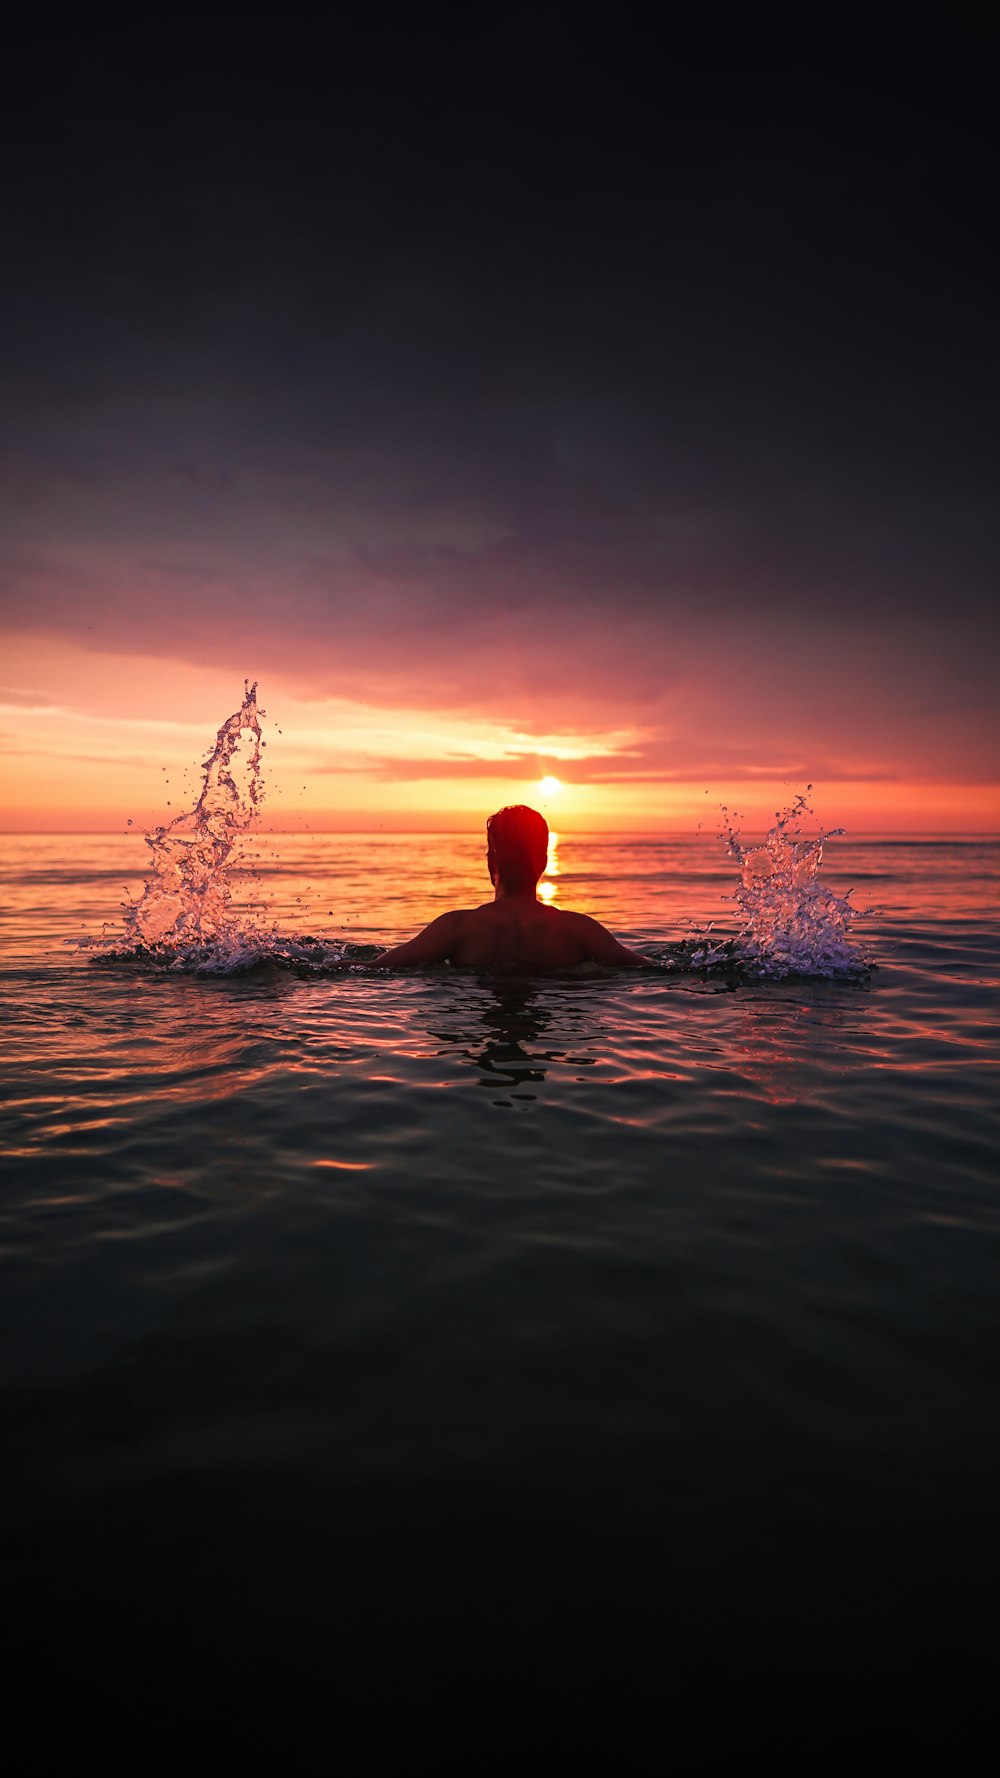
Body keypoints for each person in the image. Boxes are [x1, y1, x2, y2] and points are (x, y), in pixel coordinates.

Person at [368, 805, 650, 970]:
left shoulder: (457, 928)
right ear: (543, 861)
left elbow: (374, 970)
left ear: (492, 860)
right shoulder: (579, 930)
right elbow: (652, 971)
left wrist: (324, 970)